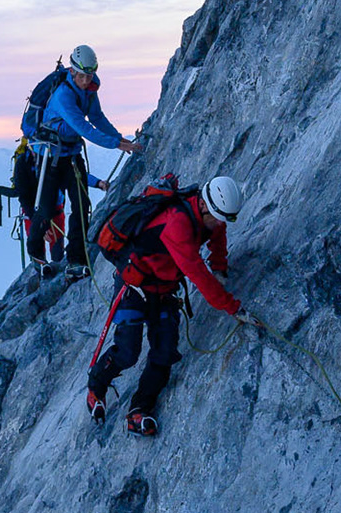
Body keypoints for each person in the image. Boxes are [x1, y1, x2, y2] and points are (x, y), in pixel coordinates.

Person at [86, 176, 258, 437]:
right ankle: (96, 385)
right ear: (202, 205)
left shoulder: (211, 215)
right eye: (218, 216)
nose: (220, 222)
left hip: (164, 289)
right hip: (134, 285)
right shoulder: (177, 224)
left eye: (226, 219)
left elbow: (217, 235)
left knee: (164, 353)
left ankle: (139, 410)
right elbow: (198, 274)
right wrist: (233, 308)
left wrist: (220, 265)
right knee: (128, 351)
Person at [13, 44, 142, 274]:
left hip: (70, 155)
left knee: (82, 205)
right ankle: (36, 253)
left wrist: (119, 138)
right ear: (72, 71)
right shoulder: (63, 95)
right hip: (50, 157)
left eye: (89, 75)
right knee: (45, 209)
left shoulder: (90, 90)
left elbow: (97, 118)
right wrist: (117, 144)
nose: (85, 80)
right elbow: (84, 127)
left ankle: (76, 259)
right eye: (81, 75)